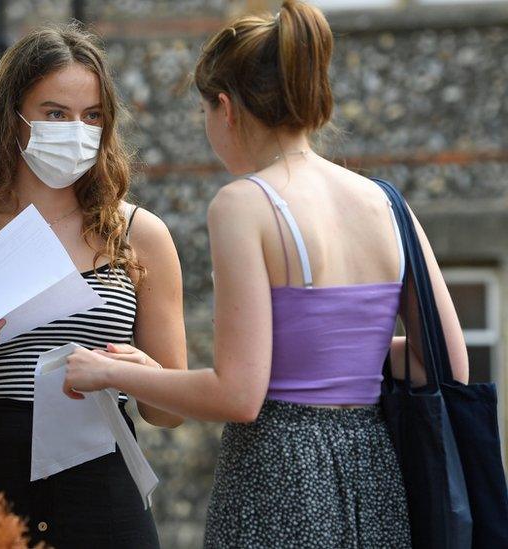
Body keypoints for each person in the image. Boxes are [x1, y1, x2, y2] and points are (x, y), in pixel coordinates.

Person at [61, 2, 469, 547]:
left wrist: (112, 373)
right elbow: (447, 364)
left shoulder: (245, 204)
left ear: (225, 108)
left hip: (280, 476)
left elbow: (239, 395)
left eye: (204, 112)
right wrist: (342, 348)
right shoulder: (386, 204)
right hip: (374, 475)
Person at [0, 24, 186, 548]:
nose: (76, 130)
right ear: (12, 119)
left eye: (92, 116)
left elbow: (169, 412)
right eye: (56, 113)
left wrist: (142, 373)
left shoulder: (138, 233)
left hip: (100, 485)